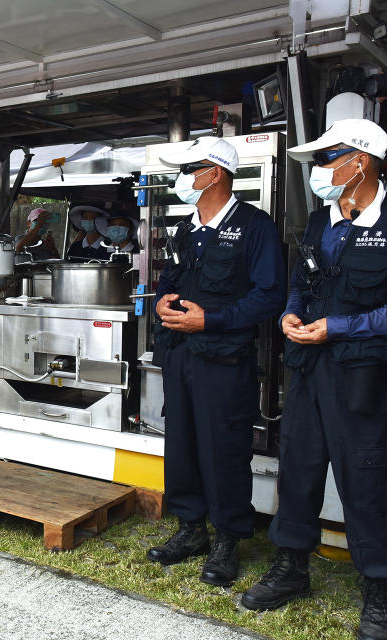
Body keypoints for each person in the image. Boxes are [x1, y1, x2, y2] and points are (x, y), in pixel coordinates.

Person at [242, 120, 387, 640]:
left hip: (366, 378)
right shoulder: (321, 222)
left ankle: (379, 592)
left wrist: (339, 327)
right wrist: (291, 316)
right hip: (309, 372)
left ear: (359, 161)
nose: (319, 170)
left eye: (328, 158)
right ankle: (292, 568)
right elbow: (302, 284)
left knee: (368, 481)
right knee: (298, 470)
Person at [148, 136, 286, 587]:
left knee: (224, 449)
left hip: (224, 361)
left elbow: (270, 296)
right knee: (182, 443)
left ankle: (228, 539)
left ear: (216, 173)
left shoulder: (255, 226)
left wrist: (213, 320)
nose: (183, 180)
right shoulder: (186, 229)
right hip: (180, 356)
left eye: (190, 171)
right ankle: (191, 529)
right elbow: (168, 279)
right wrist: (161, 305)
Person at [66, 206, 140, 262]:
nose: (116, 228)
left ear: (131, 229)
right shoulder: (100, 253)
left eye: (121, 225)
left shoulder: (138, 252)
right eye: (113, 225)